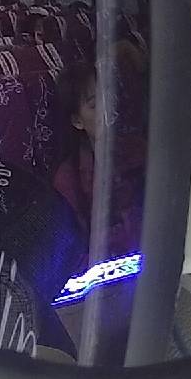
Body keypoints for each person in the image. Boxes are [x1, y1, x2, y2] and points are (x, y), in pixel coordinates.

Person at [51, 61, 145, 259]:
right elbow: (79, 249)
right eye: (94, 105)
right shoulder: (69, 180)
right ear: (77, 121)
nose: (106, 109)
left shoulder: (138, 148)